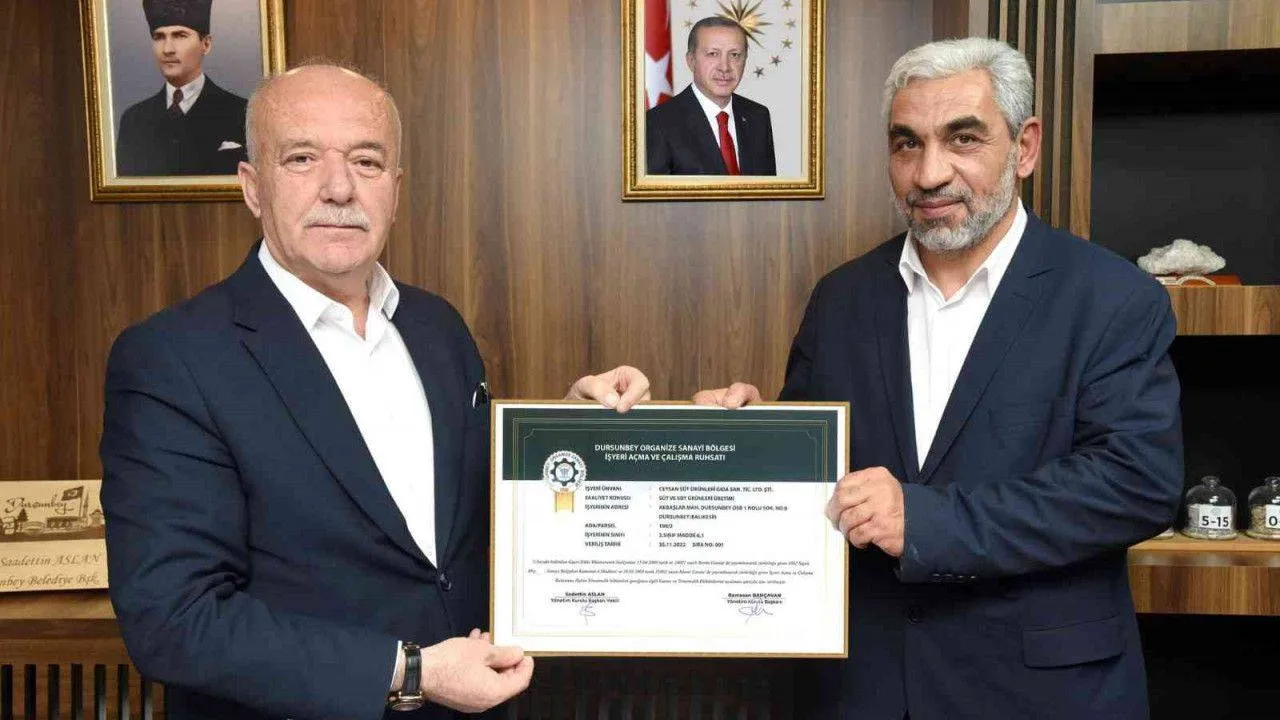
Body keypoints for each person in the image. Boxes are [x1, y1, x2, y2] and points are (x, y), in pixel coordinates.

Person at [100, 62, 650, 720]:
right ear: (252, 186)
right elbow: (175, 620)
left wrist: (567, 428)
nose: (339, 188)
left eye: (366, 161)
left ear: (395, 187)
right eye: (302, 158)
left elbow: (462, 519)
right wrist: (413, 672)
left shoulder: (438, 328)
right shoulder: (172, 359)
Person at [695, 38, 1182, 719]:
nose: (928, 174)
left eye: (963, 139)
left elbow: (1134, 485)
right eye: (907, 144)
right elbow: (813, 477)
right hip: (864, 691)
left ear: (1025, 147)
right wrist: (747, 439)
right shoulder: (842, 299)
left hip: (1042, 694)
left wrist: (925, 520)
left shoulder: (1112, 297)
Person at [115, 0, 249, 176]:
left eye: (180, 35)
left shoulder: (241, 113)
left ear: (206, 44)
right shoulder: (134, 121)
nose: (167, 49)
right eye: (159, 37)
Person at [646, 16, 776, 175]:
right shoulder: (658, 123)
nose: (725, 67)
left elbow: (767, 190)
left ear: (745, 60)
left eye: (735, 55)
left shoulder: (758, 116)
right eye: (713, 54)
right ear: (691, 60)